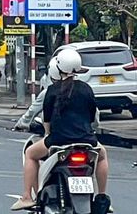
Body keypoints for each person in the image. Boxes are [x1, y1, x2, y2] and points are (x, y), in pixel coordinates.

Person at [14, 49, 110, 212]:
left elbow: (47, 124)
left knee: (30, 153)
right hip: (87, 140)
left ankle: (27, 197)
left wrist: (48, 135)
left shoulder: (51, 90)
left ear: (58, 68)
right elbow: (93, 118)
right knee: (102, 156)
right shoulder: (86, 88)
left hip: (59, 141)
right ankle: (101, 196)